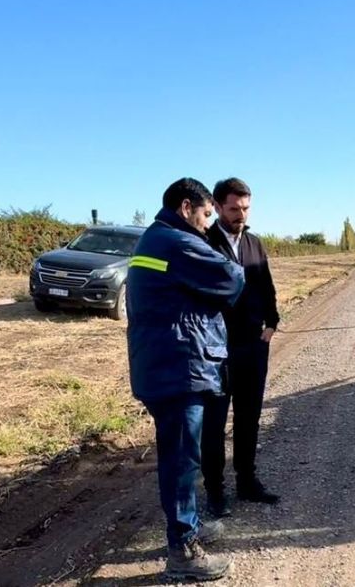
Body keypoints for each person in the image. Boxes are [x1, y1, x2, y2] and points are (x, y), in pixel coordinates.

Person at [126, 177, 245, 582]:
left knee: (182, 455)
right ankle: (183, 551)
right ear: (185, 208)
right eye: (206, 213)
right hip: (178, 367)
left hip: (165, 362)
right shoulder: (178, 242)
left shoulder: (156, 238)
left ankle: (187, 527)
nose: (209, 222)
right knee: (180, 460)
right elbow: (233, 278)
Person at [202, 177, 280, 518]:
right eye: (234, 208)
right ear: (218, 207)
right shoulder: (204, 242)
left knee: (249, 418)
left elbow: (266, 285)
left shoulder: (254, 243)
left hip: (253, 346)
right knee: (214, 423)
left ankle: (247, 482)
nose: (241, 214)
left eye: (246, 208)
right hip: (217, 351)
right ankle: (215, 492)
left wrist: (272, 323)